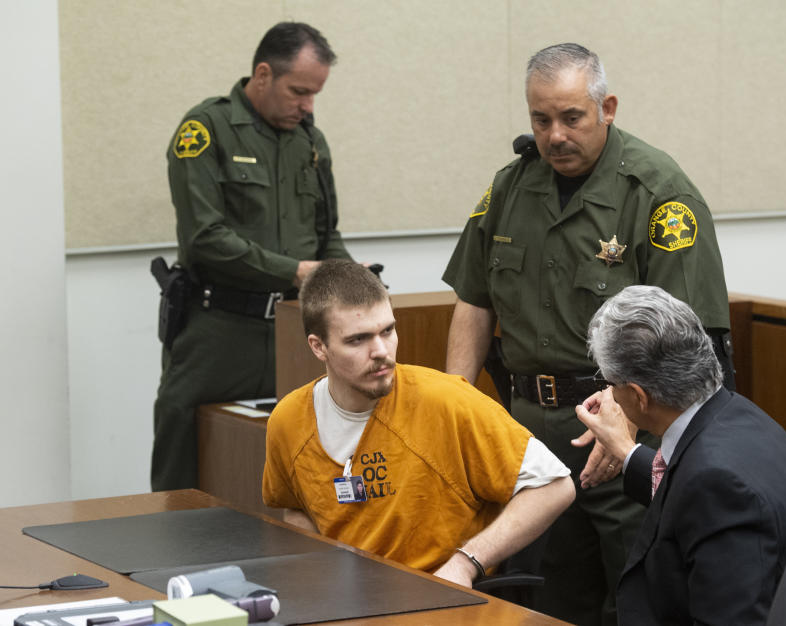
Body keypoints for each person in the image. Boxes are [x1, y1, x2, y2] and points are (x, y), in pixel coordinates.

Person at [442, 42, 732, 623]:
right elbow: (473, 300)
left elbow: (684, 338)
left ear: (608, 108)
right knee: (544, 597)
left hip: (627, 429)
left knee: (636, 592)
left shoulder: (658, 193)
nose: (555, 135)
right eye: (540, 120)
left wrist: (621, 423)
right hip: (526, 428)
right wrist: (453, 405)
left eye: (572, 117)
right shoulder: (508, 189)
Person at [262, 260, 576, 587]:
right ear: (318, 346)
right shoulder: (289, 421)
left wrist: (466, 564)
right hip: (347, 602)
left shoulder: (447, 401)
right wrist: (321, 582)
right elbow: (296, 509)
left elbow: (555, 485)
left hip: (438, 597)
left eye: (387, 331)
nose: (381, 351)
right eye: (358, 340)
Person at [151, 22, 355, 491]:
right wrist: (298, 271)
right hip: (221, 330)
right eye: (299, 91)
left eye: (315, 95)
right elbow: (206, 237)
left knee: (297, 458)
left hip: (294, 330)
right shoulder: (206, 130)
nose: (307, 106)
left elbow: (328, 235)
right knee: (185, 449)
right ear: (263, 74)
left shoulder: (310, 141)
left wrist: (348, 280)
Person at [575, 285, 786, 625]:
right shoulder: (742, 416)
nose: (611, 396)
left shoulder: (717, 485)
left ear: (638, 396)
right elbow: (685, 483)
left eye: (610, 384)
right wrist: (626, 451)